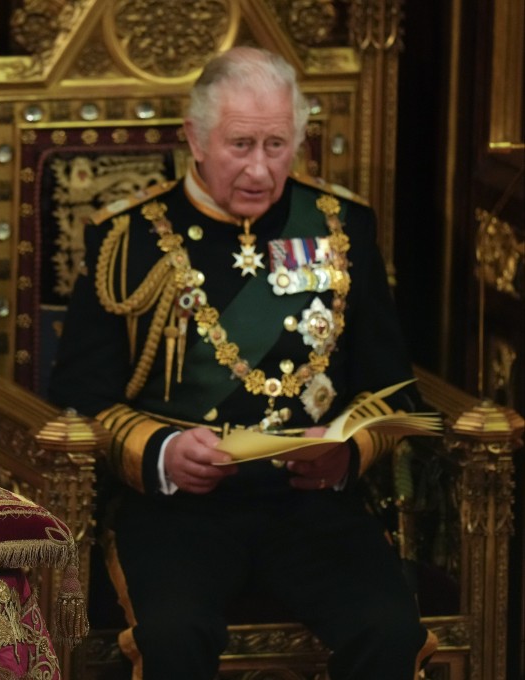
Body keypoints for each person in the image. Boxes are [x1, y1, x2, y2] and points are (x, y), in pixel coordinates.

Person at [48, 46, 435, 679]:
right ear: (195, 138)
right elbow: (78, 395)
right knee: (173, 637)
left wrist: (347, 452)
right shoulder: (130, 238)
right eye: (241, 145)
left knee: (388, 631)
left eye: (277, 146)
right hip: (178, 512)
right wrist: (165, 453)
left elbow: (393, 388)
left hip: (311, 506)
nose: (259, 170)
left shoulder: (342, 228)